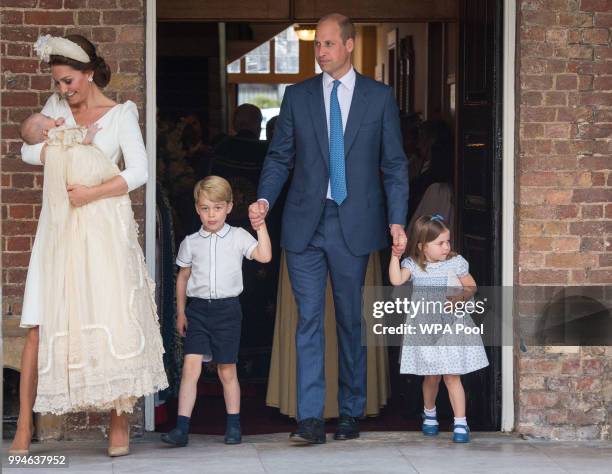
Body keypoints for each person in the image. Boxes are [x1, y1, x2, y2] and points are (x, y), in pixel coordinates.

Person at [250, 13, 408, 444]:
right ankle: (311, 419)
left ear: (350, 45)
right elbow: (280, 157)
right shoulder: (297, 97)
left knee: (351, 322)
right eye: (317, 45)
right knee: (309, 321)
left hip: (354, 224)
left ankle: (351, 411)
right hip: (304, 223)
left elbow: (393, 164)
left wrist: (397, 219)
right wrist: (265, 199)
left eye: (328, 44)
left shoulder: (378, 98)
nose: (320, 51)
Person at [10, 34, 168, 457]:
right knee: (39, 323)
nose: (63, 91)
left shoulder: (120, 115)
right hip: (59, 228)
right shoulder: (56, 110)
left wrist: (91, 192)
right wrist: (61, 144)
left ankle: (119, 422)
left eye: (68, 82)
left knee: (113, 316)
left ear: (90, 73)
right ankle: (24, 426)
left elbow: (138, 172)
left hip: (100, 226)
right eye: (58, 84)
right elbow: (28, 150)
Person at [161, 176, 272, 447]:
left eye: (218, 208)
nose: (212, 215)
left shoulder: (238, 236)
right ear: (197, 209)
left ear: (229, 207)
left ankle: (233, 425)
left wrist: (261, 226)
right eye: (205, 208)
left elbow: (265, 256)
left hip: (227, 310)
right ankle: (182, 428)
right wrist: (181, 312)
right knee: (190, 368)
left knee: (226, 370)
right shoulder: (190, 242)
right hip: (198, 310)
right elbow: (183, 278)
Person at [388, 215, 489, 443]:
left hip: (451, 326)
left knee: (452, 376)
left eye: (448, 242)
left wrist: (461, 296)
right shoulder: (413, 265)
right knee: (431, 376)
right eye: (440, 243)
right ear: (423, 247)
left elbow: (471, 286)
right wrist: (395, 256)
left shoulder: (456, 262)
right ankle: (430, 414)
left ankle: (461, 423)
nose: (446, 247)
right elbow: (396, 280)